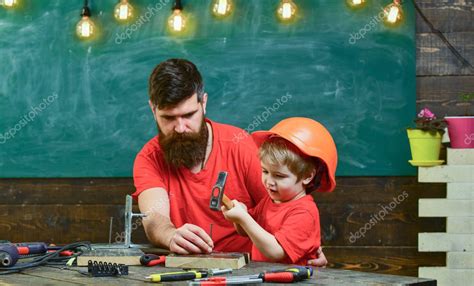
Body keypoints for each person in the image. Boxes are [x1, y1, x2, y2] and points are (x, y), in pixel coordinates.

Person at [132, 58, 328, 266]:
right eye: (169, 118)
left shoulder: (240, 145)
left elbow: (285, 208)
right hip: (189, 270)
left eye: (189, 115)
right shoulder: (149, 158)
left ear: (204, 103)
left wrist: (305, 250)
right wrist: (170, 235)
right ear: (153, 109)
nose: (180, 128)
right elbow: (154, 218)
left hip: (253, 270)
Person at [222, 117, 338, 265]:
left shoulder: (304, 213)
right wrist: (239, 217)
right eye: (265, 171)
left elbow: (276, 252)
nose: (269, 181)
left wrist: (244, 218)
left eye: (279, 176)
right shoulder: (270, 201)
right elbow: (246, 231)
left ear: (307, 176)